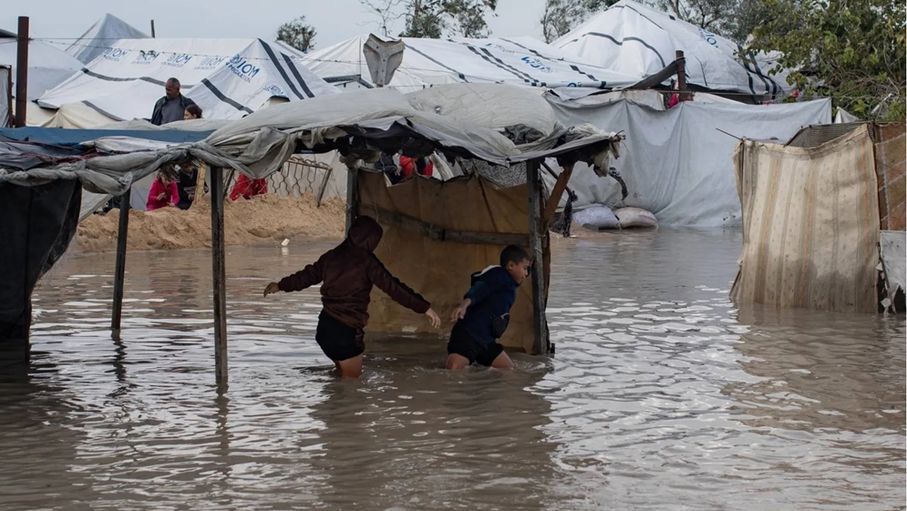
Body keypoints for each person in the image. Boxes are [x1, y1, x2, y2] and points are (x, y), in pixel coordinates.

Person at [263, 215, 441, 377]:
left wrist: (280, 285)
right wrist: (424, 307)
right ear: (371, 241)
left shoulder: (331, 257)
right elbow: (394, 288)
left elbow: (306, 277)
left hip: (324, 330)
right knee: (352, 389)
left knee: (339, 379)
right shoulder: (367, 262)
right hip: (346, 333)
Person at [446, 245, 532, 370]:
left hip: (486, 341)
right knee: (453, 370)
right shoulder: (498, 275)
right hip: (468, 335)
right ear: (511, 266)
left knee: (508, 369)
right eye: (524, 268)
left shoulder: (509, 286)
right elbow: (479, 289)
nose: (526, 274)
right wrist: (464, 305)